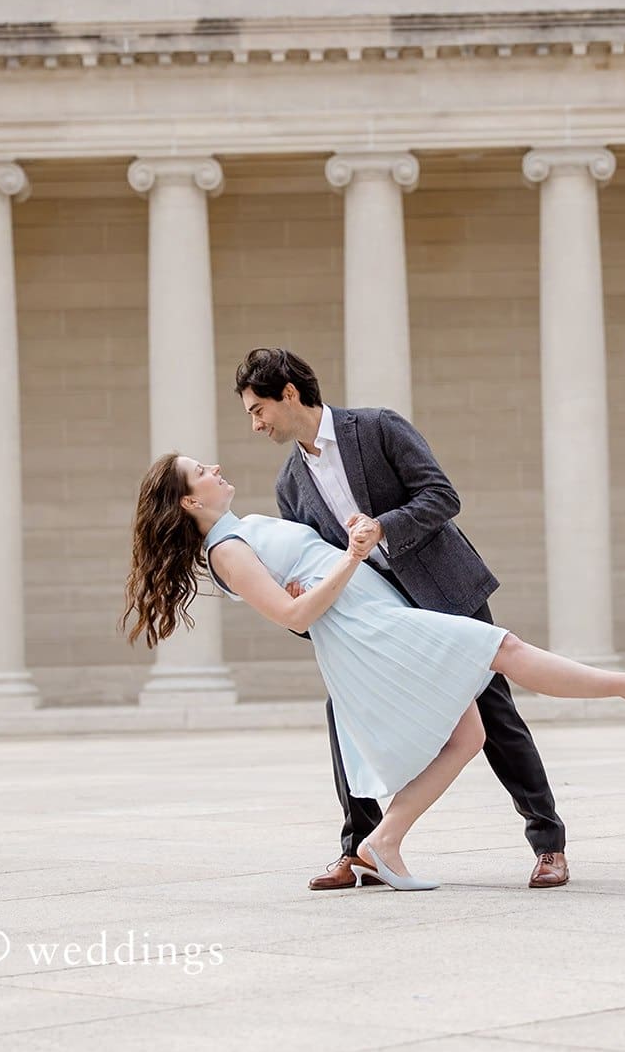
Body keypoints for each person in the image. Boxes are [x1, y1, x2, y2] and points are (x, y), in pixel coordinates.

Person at [123, 453, 625, 891]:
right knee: (502, 648)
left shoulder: (242, 527)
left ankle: (384, 842)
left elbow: (302, 586)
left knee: (469, 734)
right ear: (189, 502)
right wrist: (350, 557)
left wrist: (335, 566)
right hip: (366, 628)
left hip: (376, 613)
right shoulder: (225, 549)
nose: (214, 468)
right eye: (199, 471)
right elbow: (293, 614)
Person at [232, 347, 577, 891]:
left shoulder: (377, 428)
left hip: (442, 588)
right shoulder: (289, 484)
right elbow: (313, 559)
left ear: (290, 394)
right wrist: (301, 597)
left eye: (258, 409)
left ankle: (548, 844)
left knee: (495, 713)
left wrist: (383, 527)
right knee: (345, 712)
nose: (255, 424)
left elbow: (442, 496)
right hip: (374, 615)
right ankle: (358, 850)